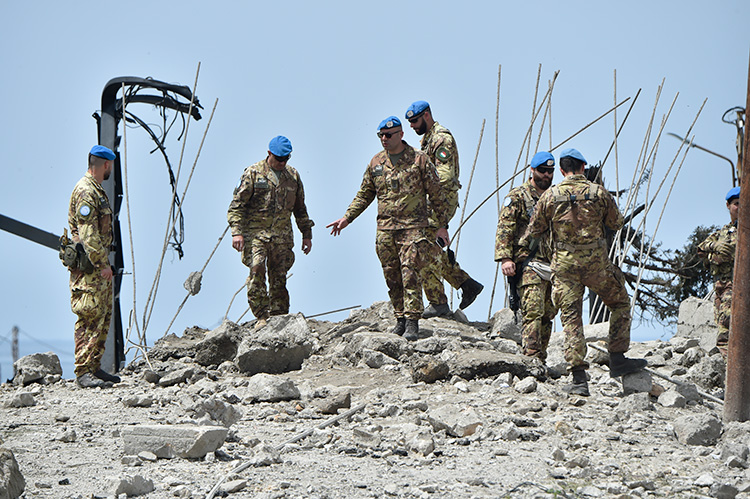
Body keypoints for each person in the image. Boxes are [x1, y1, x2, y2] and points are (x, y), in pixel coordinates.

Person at [526, 148, 646, 396]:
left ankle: (580, 380)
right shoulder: (598, 192)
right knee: (620, 303)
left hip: (565, 267)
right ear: (582, 168)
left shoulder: (550, 196)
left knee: (571, 319)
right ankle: (617, 357)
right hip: (596, 265)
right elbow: (616, 223)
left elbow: (534, 230)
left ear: (561, 170)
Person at [327, 116, 450, 341]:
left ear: (400, 135)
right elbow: (365, 194)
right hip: (385, 229)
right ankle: (400, 318)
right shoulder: (376, 163)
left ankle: (413, 321)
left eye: (388, 135)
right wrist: (347, 218)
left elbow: (437, 195)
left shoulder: (419, 159)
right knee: (392, 275)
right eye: (381, 135)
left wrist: (442, 226)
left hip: (414, 228)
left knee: (410, 273)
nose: (384, 139)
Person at [405, 100, 483, 318]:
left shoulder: (441, 139)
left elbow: (445, 178)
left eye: (415, 121)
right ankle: (466, 284)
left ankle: (438, 303)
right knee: (432, 251)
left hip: (439, 203)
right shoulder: (428, 139)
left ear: (427, 115)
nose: (412, 125)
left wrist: (441, 222)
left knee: (422, 251)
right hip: (432, 203)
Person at [227, 136, 314, 329]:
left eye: (286, 159)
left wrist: (306, 234)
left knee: (279, 276)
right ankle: (261, 315)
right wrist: (237, 233)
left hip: (282, 235)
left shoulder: (293, 176)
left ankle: (278, 316)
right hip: (256, 234)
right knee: (257, 269)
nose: (282, 163)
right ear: (269, 154)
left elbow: (300, 208)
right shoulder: (253, 173)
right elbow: (237, 206)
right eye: (278, 158)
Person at [495, 151, 556, 362]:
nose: (547, 175)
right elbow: (505, 229)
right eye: (542, 171)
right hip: (528, 261)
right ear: (532, 170)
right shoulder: (518, 196)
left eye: (550, 171)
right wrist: (505, 258)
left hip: (552, 263)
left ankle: (542, 357)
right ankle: (531, 357)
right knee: (533, 310)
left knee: (549, 313)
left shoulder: (555, 197)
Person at [67, 145, 121, 388]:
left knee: (101, 316)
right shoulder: (86, 191)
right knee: (89, 316)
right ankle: (82, 372)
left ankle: (94, 367)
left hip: (96, 269)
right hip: (90, 269)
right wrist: (102, 265)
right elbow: (89, 236)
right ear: (106, 165)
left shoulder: (96, 190)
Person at [697, 186, 740, 358]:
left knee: (729, 320)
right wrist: (716, 248)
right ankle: (726, 360)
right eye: (737, 203)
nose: (741, 207)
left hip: (740, 284)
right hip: (723, 285)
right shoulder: (721, 233)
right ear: (728, 206)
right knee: (723, 320)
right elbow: (701, 249)